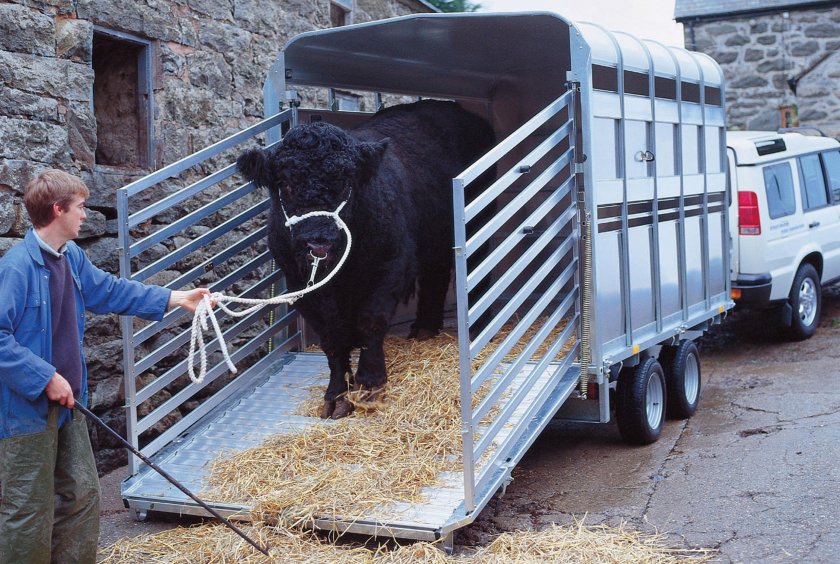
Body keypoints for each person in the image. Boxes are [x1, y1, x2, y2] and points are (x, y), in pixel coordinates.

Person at [0, 170, 212, 563]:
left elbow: (109, 291)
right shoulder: (17, 267)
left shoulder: (71, 256)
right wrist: (44, 377)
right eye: (79, 207)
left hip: (68, 404)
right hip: (24, 412)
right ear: (57, 209)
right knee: (29, 509)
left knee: (82, 494)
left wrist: (175, 297)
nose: (85, 215)